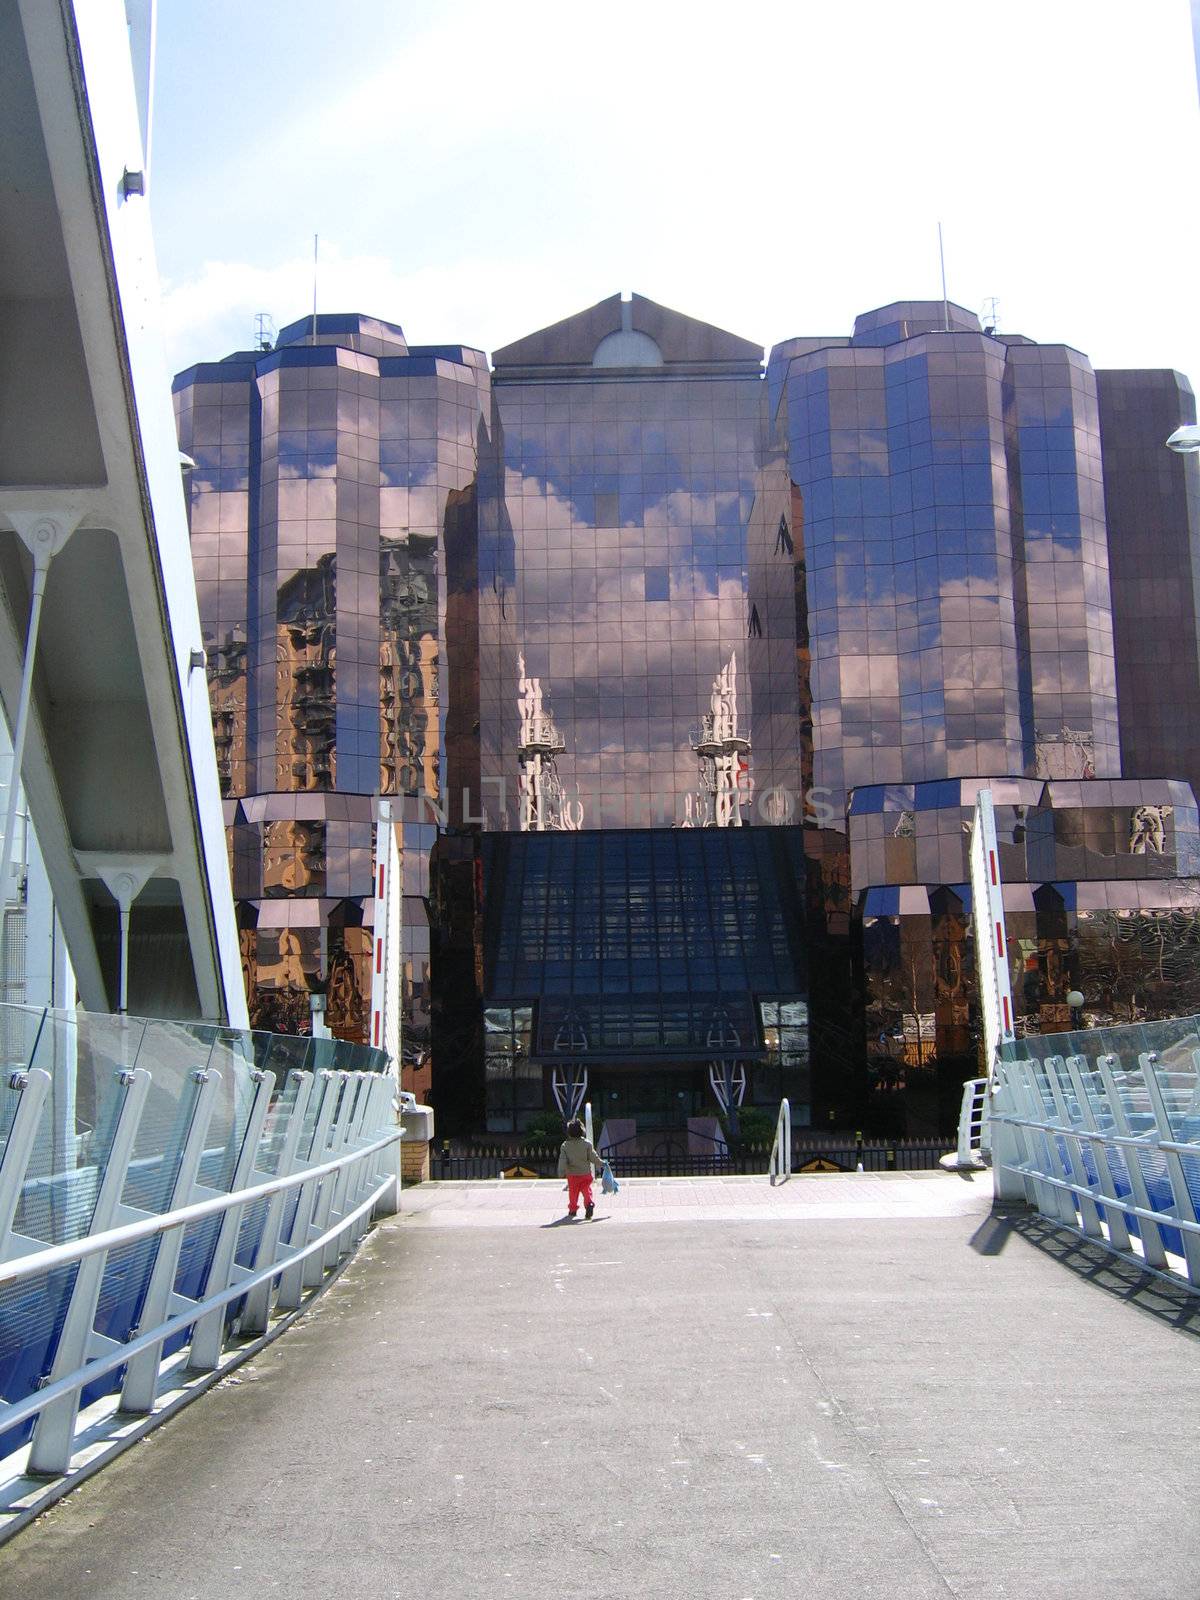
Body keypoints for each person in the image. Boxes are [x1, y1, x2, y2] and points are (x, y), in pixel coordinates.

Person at [557, 1118, 603, 1219]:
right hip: (585, 1174)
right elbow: (593, 1157)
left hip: (572, 1175)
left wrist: (561, 1172)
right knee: (586, 1190)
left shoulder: (565, 1146)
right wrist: (602, 1163)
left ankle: (573, 1210)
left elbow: (562, 1160)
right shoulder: (587, 1144)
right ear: (582, 1131)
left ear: (569, 1132)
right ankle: (589, 1204)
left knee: (573, 1193)